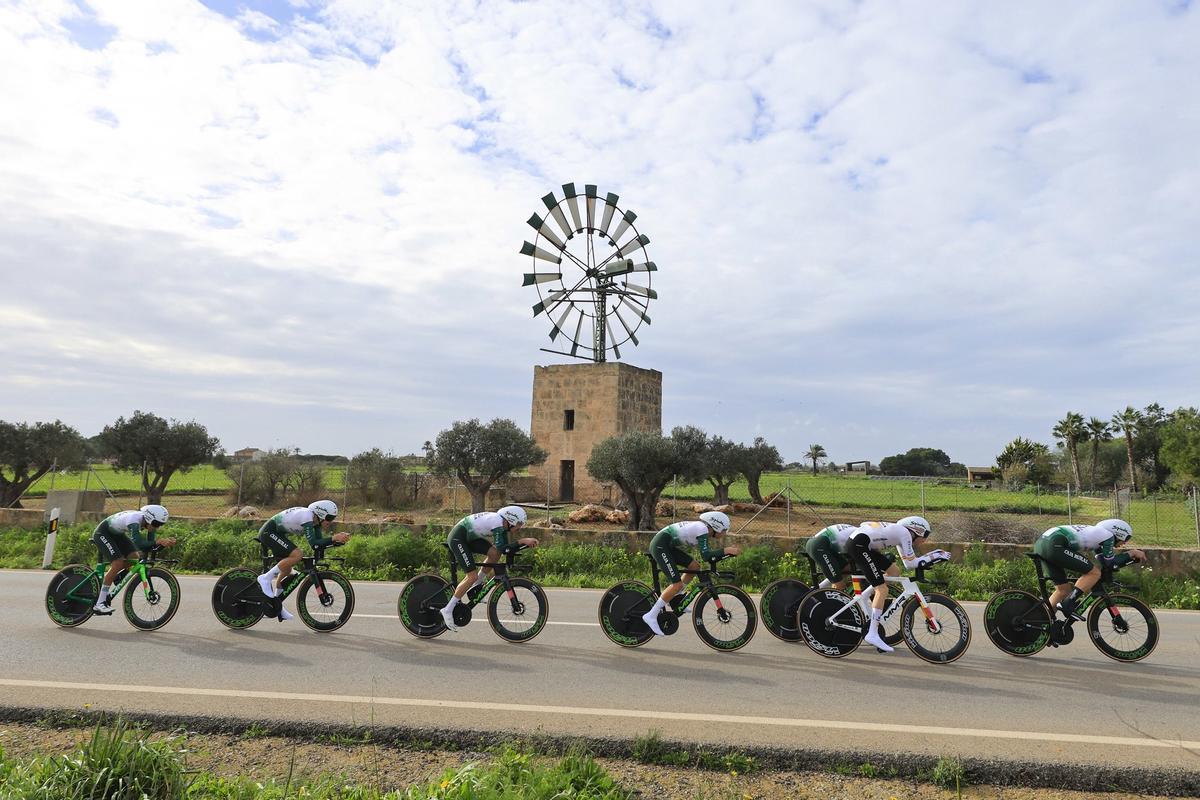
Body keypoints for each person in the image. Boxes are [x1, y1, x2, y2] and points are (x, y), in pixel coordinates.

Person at [846, 516, 946, 653]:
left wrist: (931, 557)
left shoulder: (901, 534)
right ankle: (873, 633)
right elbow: (912, 563)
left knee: (894, 571)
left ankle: (867, 594)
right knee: (882, 589)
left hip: (863, 545)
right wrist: (934, 556)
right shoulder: (905, 534)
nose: (925, 540)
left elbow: (907, 564)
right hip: (859, 545)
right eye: (925, 536)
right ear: (917, 531)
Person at [641, 511, 742, 636]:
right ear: (717, 526)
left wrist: (725, 552)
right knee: (676, 584)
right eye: (725, 530)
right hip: (660, 546)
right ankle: (651, 615)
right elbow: (706, 556)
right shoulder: (702, 529)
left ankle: (675, 599)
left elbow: (708, 557)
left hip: (667, 545)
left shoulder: (703, 529)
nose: (725, 533)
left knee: (694, 567)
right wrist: (726, 550)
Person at [441, 505, 539, 631]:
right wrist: (522, 541)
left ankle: (476, 585)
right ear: (511, 519)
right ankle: (448, 609)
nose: (520, 527)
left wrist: (522, 544)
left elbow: (501, 549)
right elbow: (505, 549)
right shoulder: (497, 523)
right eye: (519, 524)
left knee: (494, 553)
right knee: (471, 576)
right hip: (458, 538)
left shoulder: (501, 524)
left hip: (469, 537)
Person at [1033, 519, 1146, 621]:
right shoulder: (1108, 536)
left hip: (1043, 544)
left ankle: (1041, 622)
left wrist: (1127, 558)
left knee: (1063, 590)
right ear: (1119, 533)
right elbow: (1110, 562)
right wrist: (1132, 553)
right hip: (1055, 545)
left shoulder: (1098, 535)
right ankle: (1068, 603)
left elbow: (1107, 563)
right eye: (1126, 539)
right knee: (1094, 572)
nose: (1125, 543)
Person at [256, 500, 350, 622]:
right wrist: (333, 538)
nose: (330, 521)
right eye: (329, 517)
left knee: (288, 570)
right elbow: (314, 543)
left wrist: (335, 542)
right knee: (297, 554)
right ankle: (265, 578)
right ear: (321, 513)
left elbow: (318, 546)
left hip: (277, 534)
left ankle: (276, 605)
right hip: (269, 533)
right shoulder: (307, 516)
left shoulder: (315, 523)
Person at [91, 504, 175, 614]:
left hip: (116, 534)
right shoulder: (134, 520)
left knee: (134, 557)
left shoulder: (150, 524)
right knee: (118, 563)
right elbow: (139, 543)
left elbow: (149, 547)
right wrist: (157, 542)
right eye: (156, 524)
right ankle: (100, 603)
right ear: (149, 518)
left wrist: (162, 544)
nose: (157, 527)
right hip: (103, 532)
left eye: (160, 524)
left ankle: (118, 576)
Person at [804, 523, 858, 590]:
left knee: (847, 568)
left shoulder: (857, 531)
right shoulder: (858, 536)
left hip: (819, 543)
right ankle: (831, 594)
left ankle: (818, 590)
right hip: (818, 545)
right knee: (839, 586)